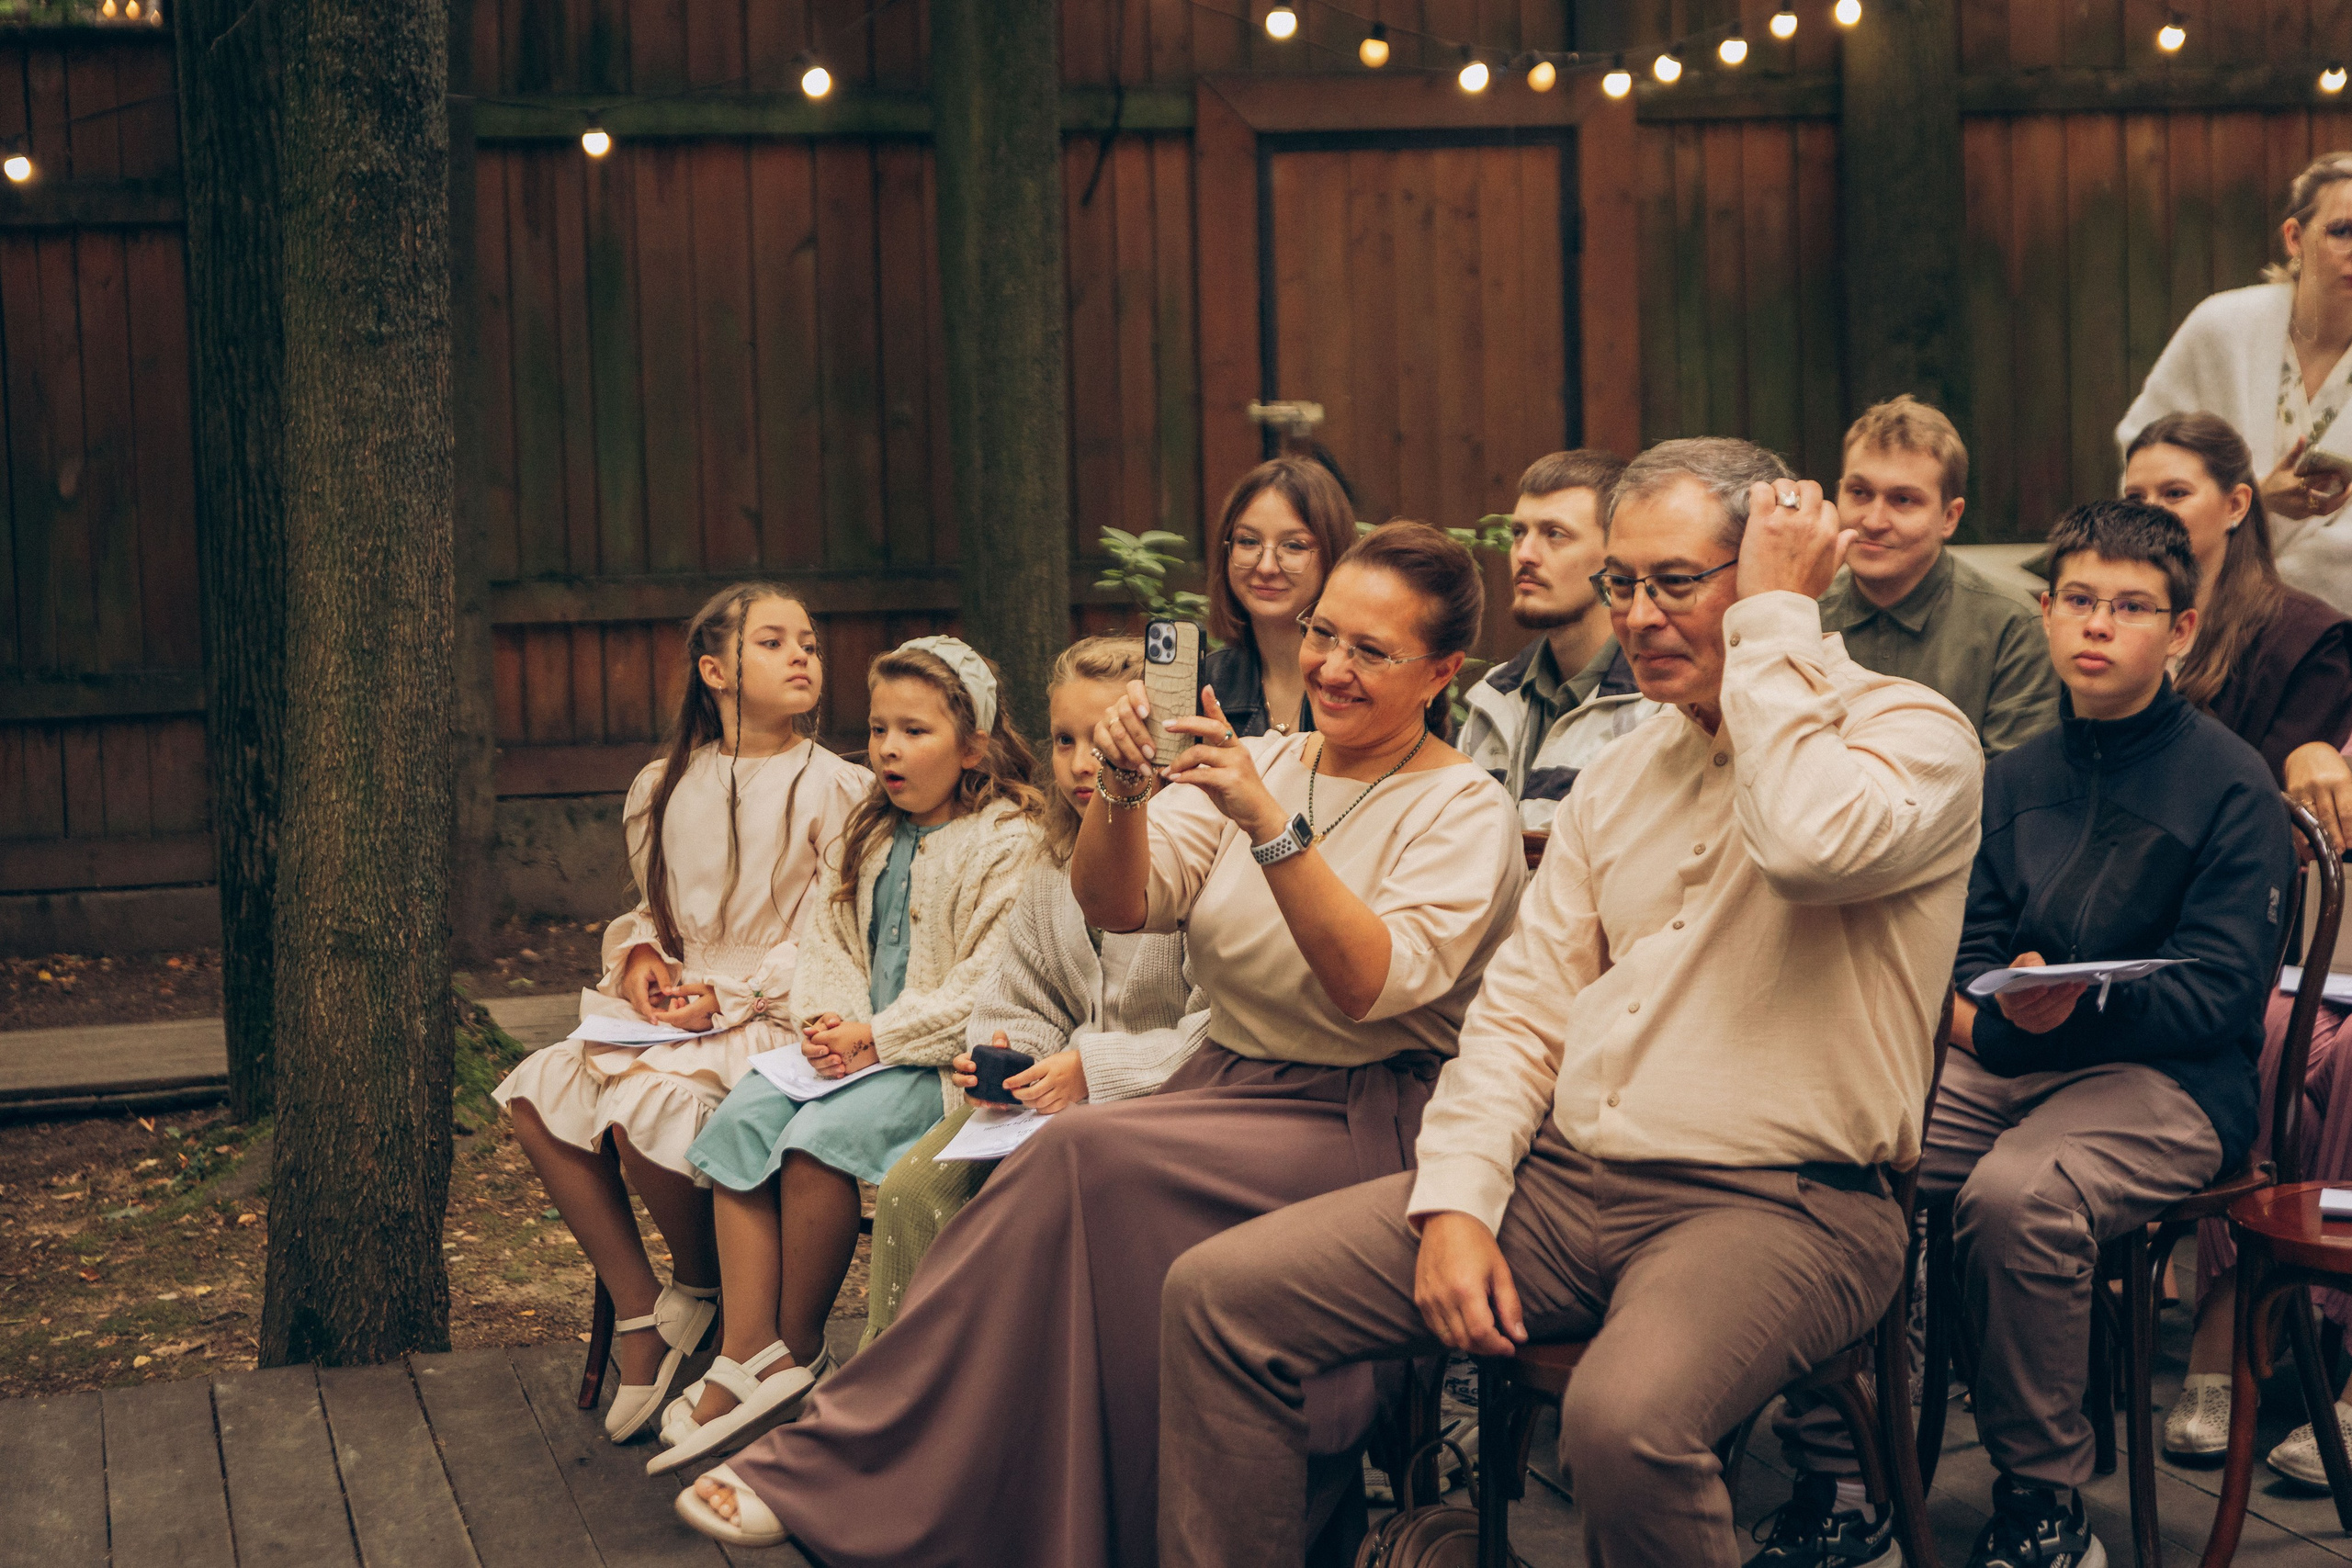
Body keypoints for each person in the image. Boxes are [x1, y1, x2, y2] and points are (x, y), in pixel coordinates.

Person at [1153, 438, 1984, 1568]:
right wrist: (1454, 1199)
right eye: (1622, 584)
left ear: (1784, 571)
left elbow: (1803, 844)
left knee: (1622, 1422)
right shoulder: (1620, 774)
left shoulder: (1914, 735)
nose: (1639, 616)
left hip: (1785, 1205)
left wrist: (1778, 628)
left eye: (1676, 582)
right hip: (1565, 1187)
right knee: (1218, 1297)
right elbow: (1520, 1017)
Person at [672, 523, 1528, 1562]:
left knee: (1080, 1153)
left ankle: (836, 1460)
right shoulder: (1254, 760)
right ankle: (992, 1509)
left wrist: (1266, 819)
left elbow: (1367, 985)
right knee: (1047, 1200)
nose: (1330, 667)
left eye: (1371, 652)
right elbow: (1119, 903)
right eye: (1321, 634)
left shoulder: (1461, 804)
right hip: (1227, 1091)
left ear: (1443, 671)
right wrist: (1124, 792)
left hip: (1364, 1111)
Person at [1769, 501, 2294, 1568]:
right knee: (1842, 1145)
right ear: (2047, 614)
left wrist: (2059, 1014)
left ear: (2180, 632)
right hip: (2014, 1055)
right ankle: (1845, 1481)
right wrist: (2004, 1011)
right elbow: (1965, 951)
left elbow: (2226, 999)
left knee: (2019, 1198)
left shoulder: (2231, 782)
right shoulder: (2008, 776)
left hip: (2175, 1083)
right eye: (2081, 603)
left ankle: (2041, 1502)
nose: (2100, 626)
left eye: (2132, 608)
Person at [647, 637, 1042, 1475]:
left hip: (940, 1067)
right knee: (745, 1117)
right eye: (878, 729)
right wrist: (831, 1021)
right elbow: (825, 940)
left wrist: (880, 1037)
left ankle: (796, 1345)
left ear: (973, 744)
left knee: (814, 1143)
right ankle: (745, 1351)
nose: (890, 749)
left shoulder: (1008, 838)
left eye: (916, 731)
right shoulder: (867, 828)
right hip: (855, 1052)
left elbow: (992, 980)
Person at [492, 585, 867, 1443]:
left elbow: (836, 933)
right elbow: (654, 911)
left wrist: (730, 995)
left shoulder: (834, 787)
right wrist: (643, 961)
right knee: (538, 1091)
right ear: (715, 671)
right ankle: (644, 1306)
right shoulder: (663, 784)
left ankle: (705, 1293)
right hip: (684, 1011)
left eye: (809, 640)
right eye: (773, 642)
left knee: (642, 1103)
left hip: (780, 1006)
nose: (802, 654)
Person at [858, 636, 1208, 1345]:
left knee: (1020, 1213)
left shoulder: (1204, 851)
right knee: (911, 1190)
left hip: (1163, 1108)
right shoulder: (1055, 855)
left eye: (1109, 737)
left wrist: (1093, 1071)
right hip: (1046, 1105)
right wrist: (1006, 1056)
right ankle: (889, 1393)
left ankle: (997, 1398)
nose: (1083, 762)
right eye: (1064, 739)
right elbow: (1019, 992)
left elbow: (1224, 1026)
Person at [2119, 152, 2352, 614]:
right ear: (2294, 237)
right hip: (2202, 604)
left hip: (2336, 616)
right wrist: (2253, 501)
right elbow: (2144, 465)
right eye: (2342, 231)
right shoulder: (2223, 329)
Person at [1816, 394, 2061, 756]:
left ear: (1950, 517)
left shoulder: (2012, 628)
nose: (1873, 521)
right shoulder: (1803, 612)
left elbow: (2011, 792)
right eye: (1859, 493)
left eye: (1903, 500)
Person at [2119, 412, 2352, 787]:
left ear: (2236, 506)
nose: (2151, 513)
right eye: (2135, 497)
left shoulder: (2310, 641)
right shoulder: (2111, 620)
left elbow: (2273, 810)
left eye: (2175, 493)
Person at [1458, 447, 1664, 829]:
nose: (1525, 554)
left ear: (1615, 558)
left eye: (1555, 534)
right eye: (1519, 533)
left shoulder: (1658, 700)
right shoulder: (1494, 695)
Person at [1200, 457, 1359, 738]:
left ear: (1334, 555)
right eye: (1248, 541)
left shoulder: (1361, 684)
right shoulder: (1203, 686)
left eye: (1294, 546)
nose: (1266, 567)